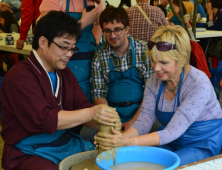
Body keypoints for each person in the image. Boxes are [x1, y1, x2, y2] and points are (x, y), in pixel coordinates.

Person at [1, 11, 121, 170]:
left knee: (109, 161)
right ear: (43, 42)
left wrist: (105, 119)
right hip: (27, 152)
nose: (69, 54)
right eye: (64, 47)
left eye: (72, 48)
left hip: (61, 142)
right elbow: (44, 119)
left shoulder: (65, 74)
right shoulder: (19, 76)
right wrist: (93, 113)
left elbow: (81, 107)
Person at [95, 25, 222, 166]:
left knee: (167, 166)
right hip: (172, 139)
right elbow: (145, 119)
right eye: (153, 60)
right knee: (138, 160)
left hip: (201, 142)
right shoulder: (154, 81)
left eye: (163, 62)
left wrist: (129, 142)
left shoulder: (198, 82)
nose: (156, 68)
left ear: (183, 59)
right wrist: (119, 139)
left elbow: (172, 131)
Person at [80, 6, 153, 143]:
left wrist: (135, 120)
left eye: (117, 29)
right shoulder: (99, 57)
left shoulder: (144, 51)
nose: (113, 35)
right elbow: (98, 93)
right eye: (107, 31)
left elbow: (151, 93)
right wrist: (111, 121)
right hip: (113, 113)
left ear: (126, 29)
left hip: (141, 111)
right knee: (86, 134)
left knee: (157, 131)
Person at [39, 0, 103, 104]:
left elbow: (99, 24)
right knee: (66, 100)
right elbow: (50, 33)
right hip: (63, 61)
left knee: (87, 103)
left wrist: (96, 39)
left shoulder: (95, 2)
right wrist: (83, 22)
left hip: (88, 61)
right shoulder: (55, 1)